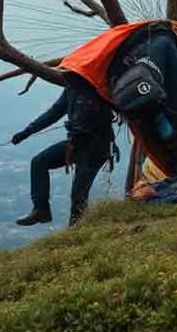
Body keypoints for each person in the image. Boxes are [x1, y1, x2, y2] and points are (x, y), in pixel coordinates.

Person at [10, 71, 117, 226]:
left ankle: (76, 233)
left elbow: (106, 114)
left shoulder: (98, 88)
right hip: (76, 144)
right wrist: (27, 131)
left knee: (78, 195)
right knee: (39, 162)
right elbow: (54, 113)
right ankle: (41, 210)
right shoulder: (71, 89)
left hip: (95, 148)